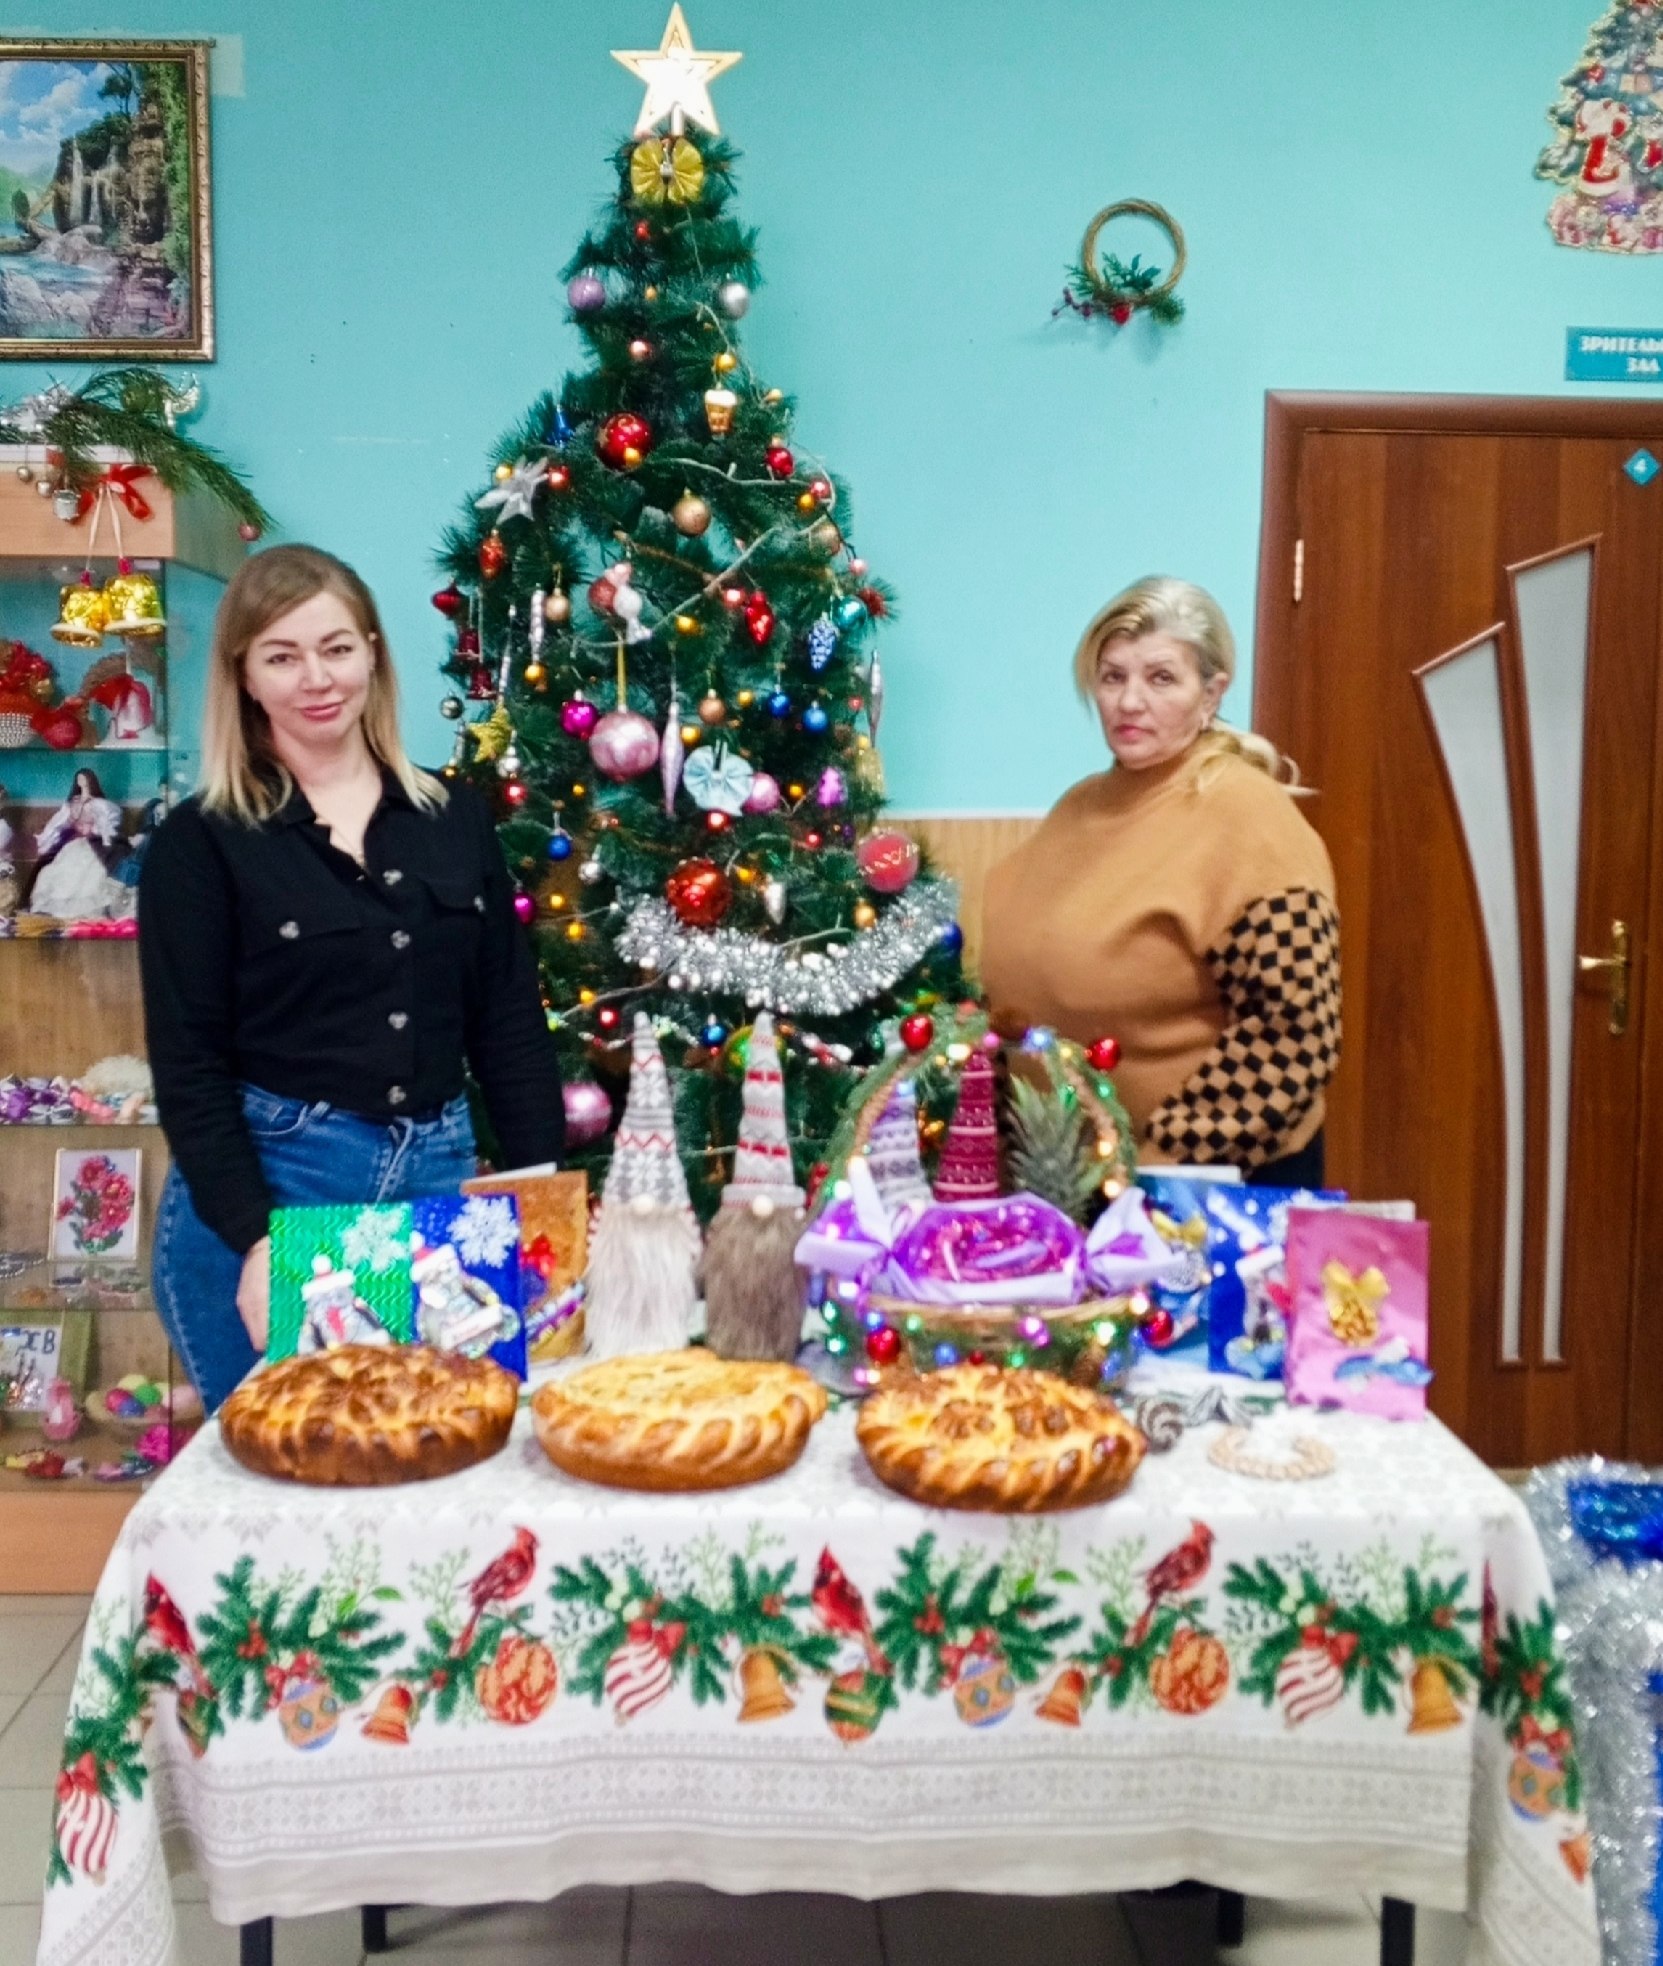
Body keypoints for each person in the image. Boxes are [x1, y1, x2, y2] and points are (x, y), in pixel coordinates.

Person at [139, 545, 564, 1410]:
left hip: (438, 1188)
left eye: (336, 648)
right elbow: (189, 1066)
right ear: (244, 676)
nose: (316, 679)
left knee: (444, 1440)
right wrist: (258, 1242)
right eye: (281, 657)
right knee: (298, 1459)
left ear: (371, 652)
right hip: (273, 1194)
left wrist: (538, 1195)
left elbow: (508, 1020)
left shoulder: (452, 817)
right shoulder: (200, 842)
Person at [980, 575, 1340, 1186]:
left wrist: (1155, 1170)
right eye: (1112, 676)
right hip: (1071, 1181)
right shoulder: (1080, 805)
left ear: (1211, 693)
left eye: (1161, 678)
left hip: (1203, 1190)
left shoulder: (1247, 814)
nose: (1129, 701)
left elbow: (1294, 1033)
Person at [28, 767, 129, 919]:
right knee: (54, 872)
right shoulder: (73, 804)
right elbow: (59, 823)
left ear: (90, 781)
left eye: (84, 779)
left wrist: (101, 833)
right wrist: (47, 837)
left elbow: (110, 821)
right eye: (79, 779)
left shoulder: (99, 804)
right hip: (77, 844)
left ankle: (86, 909)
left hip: (94, 845)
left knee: (91, 876)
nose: (81, 782)